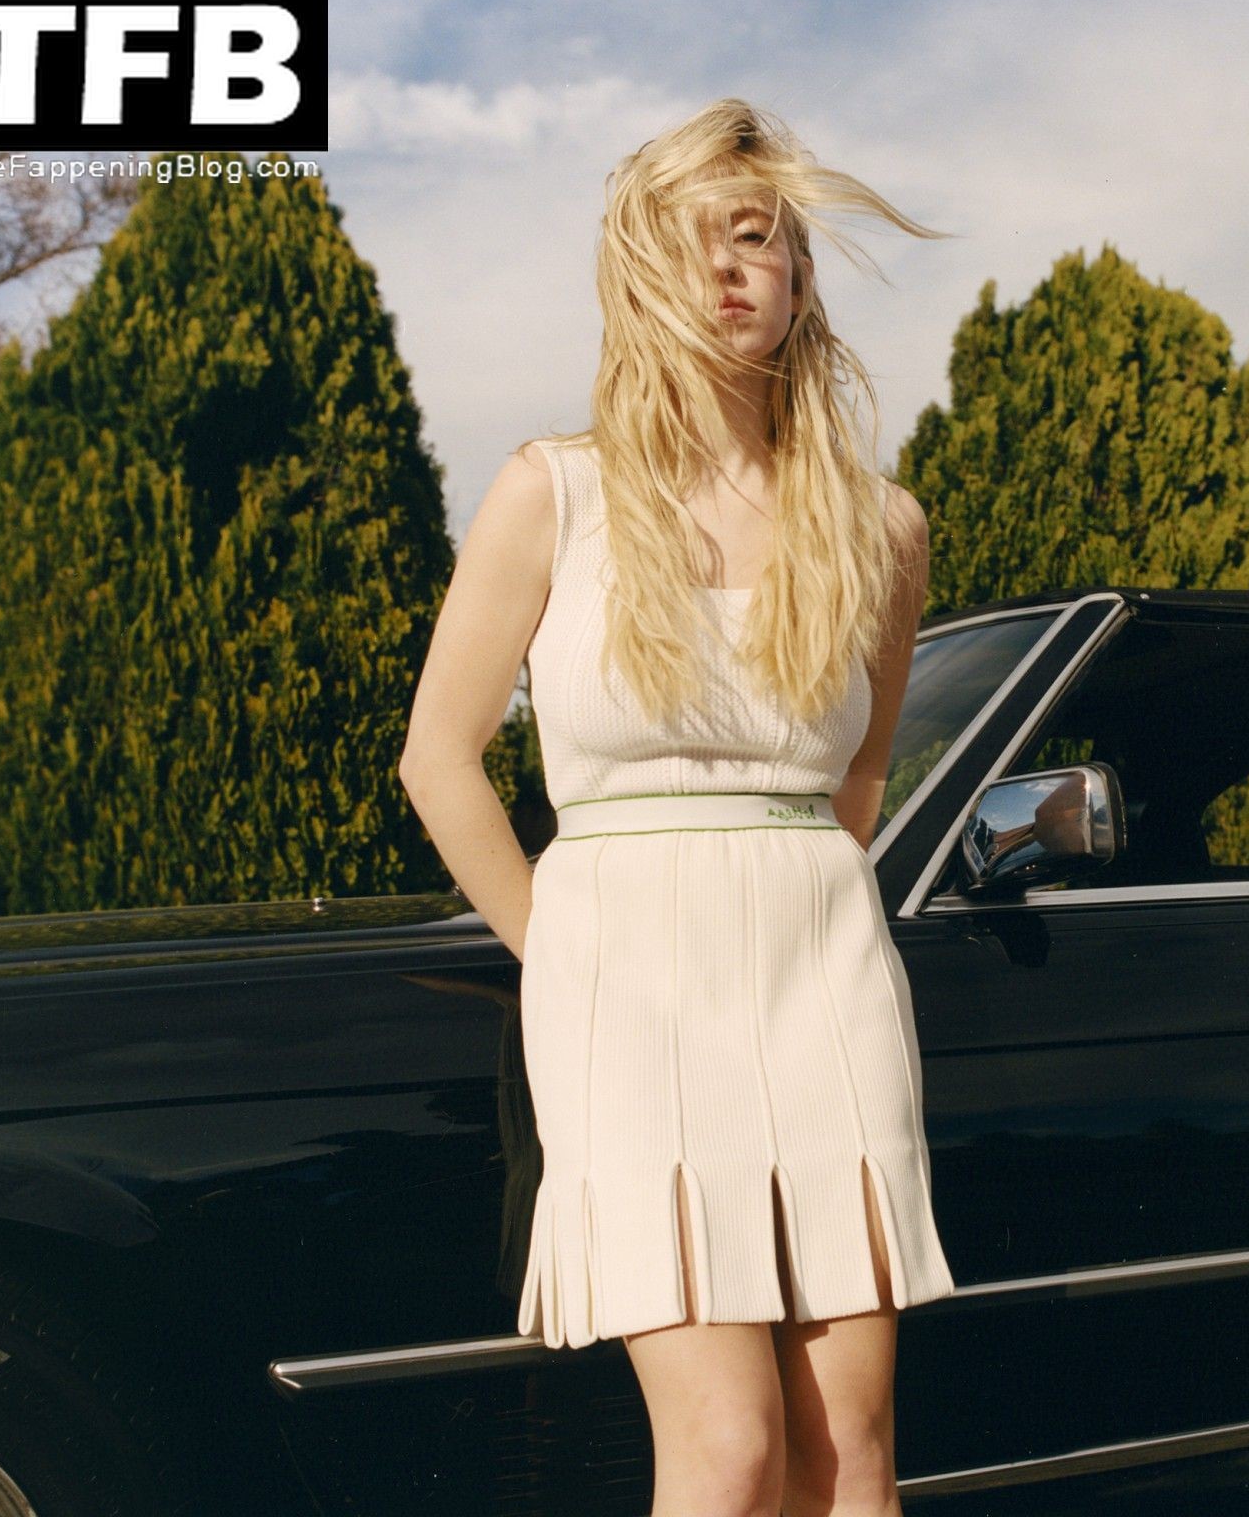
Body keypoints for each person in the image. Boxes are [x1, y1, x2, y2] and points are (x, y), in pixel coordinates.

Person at [398, 98, 958, 1517]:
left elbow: (858, 778)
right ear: (636, 270)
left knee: (848, 1453)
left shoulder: (882, 527)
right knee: (730, 1450)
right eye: (690, 239)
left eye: (756, 237)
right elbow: (438, 759)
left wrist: (797, 908)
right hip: (626, 999)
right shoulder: (554, 494)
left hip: (823, 984)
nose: (726, 268)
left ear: (800, 275)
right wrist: (564, 953)